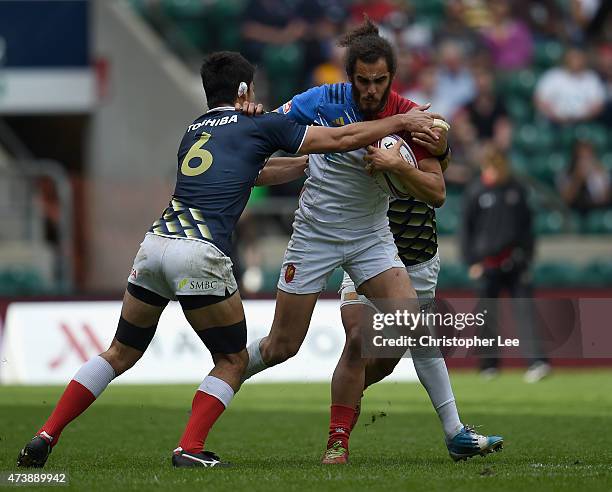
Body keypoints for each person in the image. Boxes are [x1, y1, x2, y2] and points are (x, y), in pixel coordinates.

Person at [16, 51, 433, 469]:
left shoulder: (194, 131)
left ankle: (45, 433)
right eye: (253, 89)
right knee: (232, 360)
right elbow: (340, 139)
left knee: (119, 353)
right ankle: (189, 448)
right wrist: (400, 121)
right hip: (199, 253)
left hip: (155, 244)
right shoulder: (257, 123)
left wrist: (309, 163)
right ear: (243, 90)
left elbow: (251, 171)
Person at [240, 19, 503, 464]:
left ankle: (445, 428)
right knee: (339, 343)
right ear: (350, 77)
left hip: (397, 247)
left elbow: (437, 192)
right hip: (324, 237)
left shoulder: (418, 121)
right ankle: (333, 438)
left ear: (392, 77)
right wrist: (251, 117)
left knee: (404, 340)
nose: (370, 90)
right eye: (362, 81)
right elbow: (266, 130)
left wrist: (397, 165)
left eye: (379, 81)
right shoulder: (322, 102)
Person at [461, 144, 550, 382]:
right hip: (486, 264)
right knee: (487, 316)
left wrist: (527, 256)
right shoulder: (476, 191)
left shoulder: (517, 190)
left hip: (516, 261)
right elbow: (466, 231)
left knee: (525, 312)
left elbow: (528, 227)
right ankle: (488, 365)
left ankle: (536, 362)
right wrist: (472, 261)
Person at [534, 46, 606, 125]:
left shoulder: (592, 78)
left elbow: (598, 105)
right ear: (566, 58)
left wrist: (582, 118)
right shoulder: (552, 75)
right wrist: (555, 116)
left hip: (584, 123)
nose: (575, 61)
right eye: (573, 57)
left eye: (578, 57)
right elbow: (539, 100)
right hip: (554, 123)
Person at [558, 139, 611, 213]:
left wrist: (593, 178)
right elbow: (565, 200)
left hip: (596, 212)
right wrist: (577, 179)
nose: (583, 161)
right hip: (573, 213)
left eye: (587, 157)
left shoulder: (599, 172)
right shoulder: (565, 173)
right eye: (580, 157)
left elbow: (603, 199)